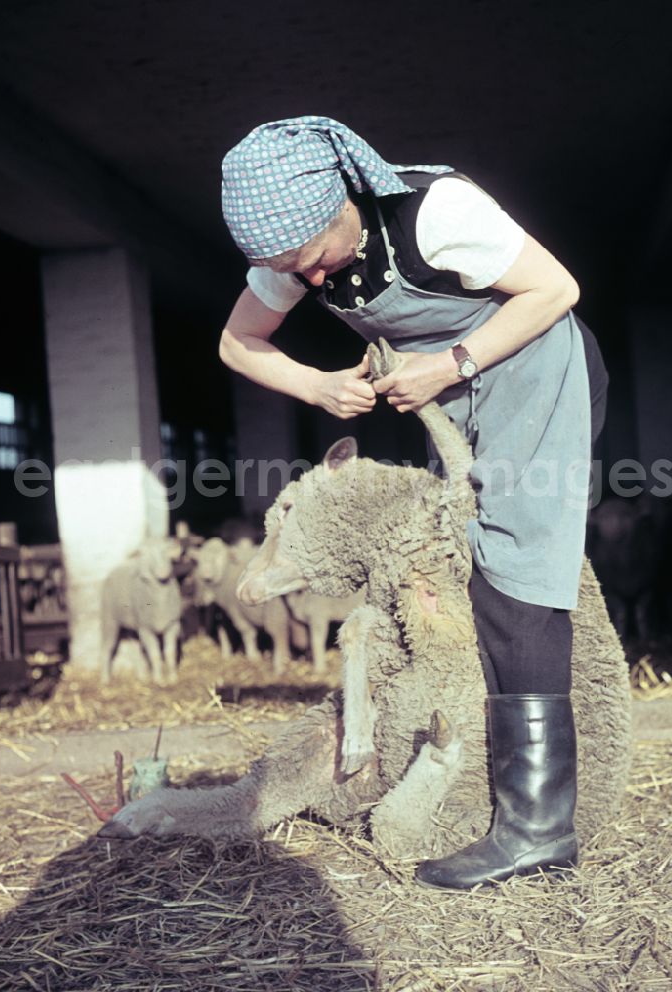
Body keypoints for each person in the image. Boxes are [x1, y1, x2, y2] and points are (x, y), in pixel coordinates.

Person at [217, 116, 607, 890]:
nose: (311, 280)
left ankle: (538, 829)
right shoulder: (295, 254)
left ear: (340, 205)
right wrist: (316, 384)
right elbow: (238, 342)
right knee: (459, 563)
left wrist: (449, 362)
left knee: (515, 568)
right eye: (290, 271)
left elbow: (557, 289)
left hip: (532, 368)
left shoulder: (437, 213)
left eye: (312, 261)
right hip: (454, 393)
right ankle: (481, 779)